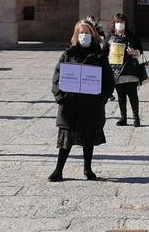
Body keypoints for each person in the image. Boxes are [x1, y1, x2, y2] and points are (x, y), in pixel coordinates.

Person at [49, 20, 114, 182]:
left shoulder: (99, 56)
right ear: (76, 35)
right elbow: (57, 76)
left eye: (87, 33)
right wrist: (60, 97)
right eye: (81, 33)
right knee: (66, 139)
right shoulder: (68, 54)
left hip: (91, 105)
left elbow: (108, 80)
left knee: (88, 137)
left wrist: (101, 98)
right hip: (70, 104)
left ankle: (88, 169)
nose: (84, 36)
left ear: (92, 35)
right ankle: (58, 170)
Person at [106, 13, 145, 127]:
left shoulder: (132, 36)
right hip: (116, 71)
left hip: (130, 70)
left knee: (133, 95)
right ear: (114, 24)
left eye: (122, 22)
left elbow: (140, 49)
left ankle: (136, 118)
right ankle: (123, 118)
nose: (120, 24)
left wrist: (134, 52)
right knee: (121, 96)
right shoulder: (110, 37)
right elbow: (104, 52)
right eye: (118, 22)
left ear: (125, 23)